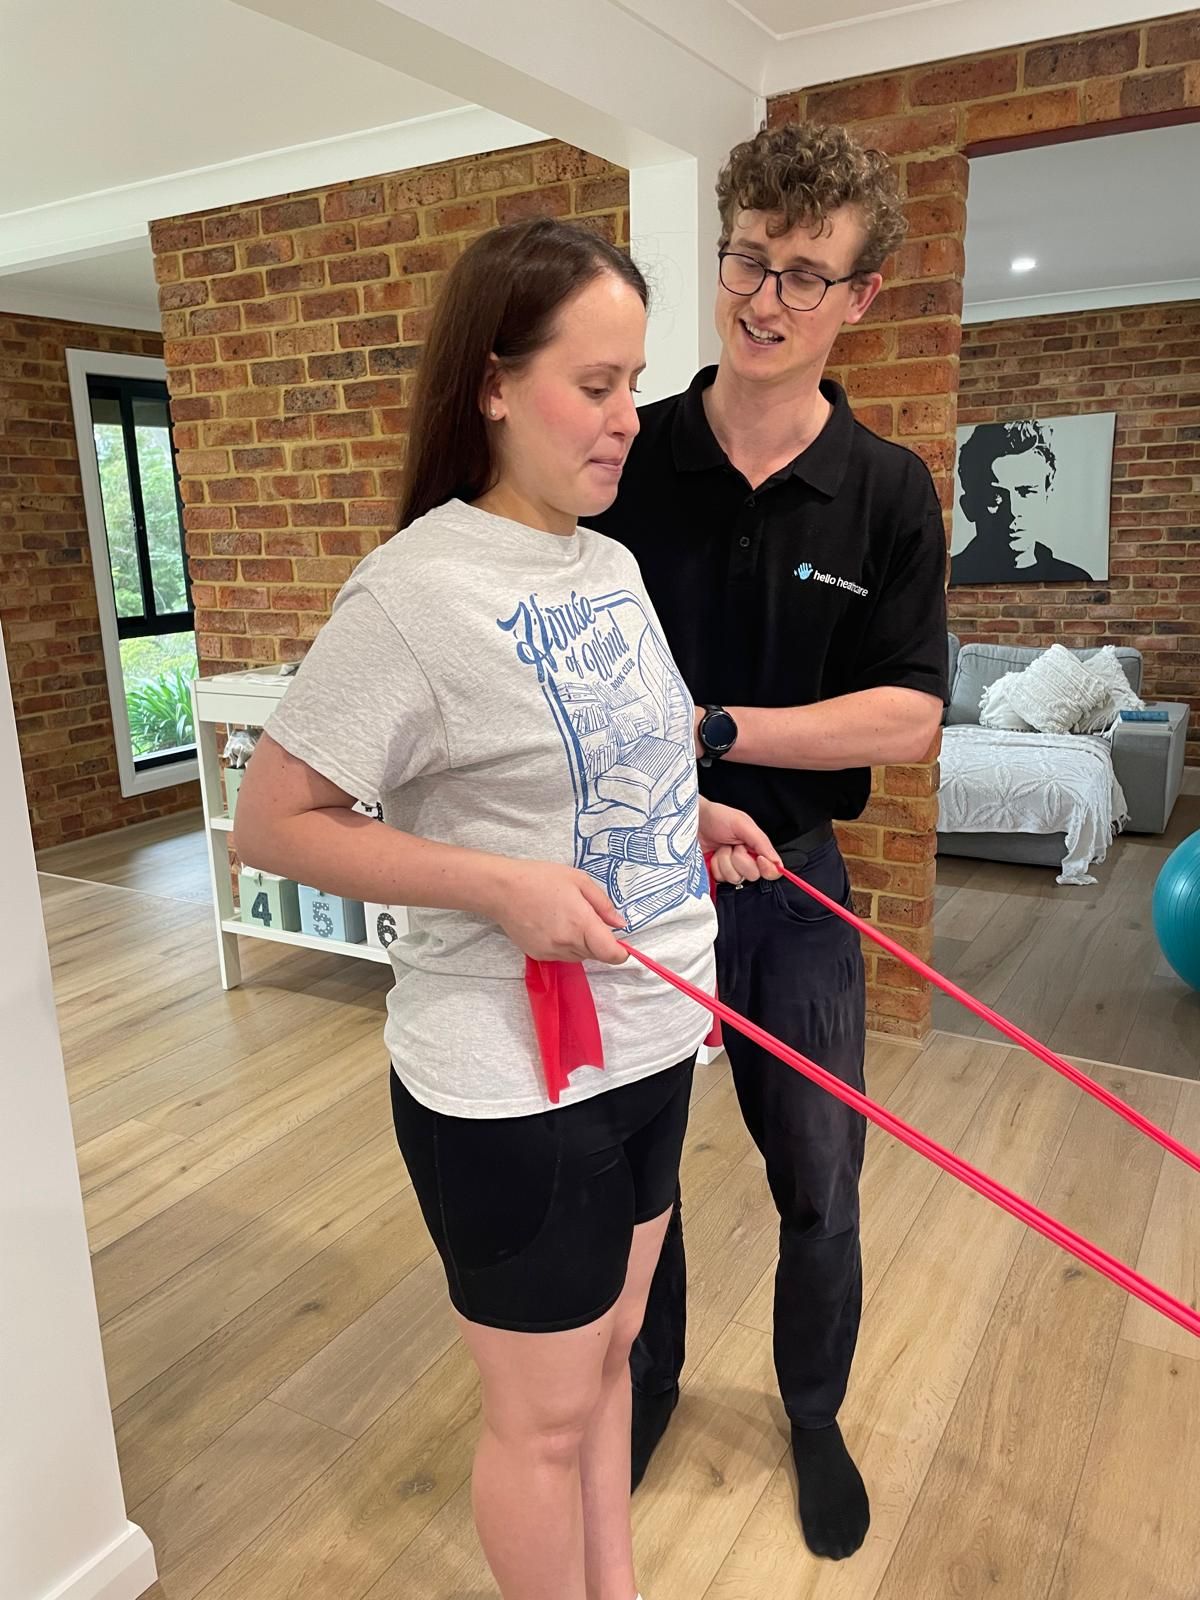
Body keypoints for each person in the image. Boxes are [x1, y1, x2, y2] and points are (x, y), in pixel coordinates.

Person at [232, 217, 779, 1600]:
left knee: (610, 1362)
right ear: (491, 383)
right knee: (539, 1418)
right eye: (591, 387)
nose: (625, 422)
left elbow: (598, 758)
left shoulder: (607, 563)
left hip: (658, 1037)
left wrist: (688, 812)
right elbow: (272, 823)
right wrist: (498, 885)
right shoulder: (413, 594)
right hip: (513, 1078)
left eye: (633, 384)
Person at [588, 121, 949, 1562]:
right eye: (746, 257)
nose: (764, 298)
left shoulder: (890, 491)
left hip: (793, 885)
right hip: (626, 874)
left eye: (806, 273)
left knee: (819, 1173)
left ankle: (812, 1411)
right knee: (640, 1174)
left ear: (861, 297)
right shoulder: (626, 454)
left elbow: (908, 720)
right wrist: (666, 781)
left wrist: (716, 734)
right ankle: (651, 1384)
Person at [951, 419, 1091, 583]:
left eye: (1027, 492)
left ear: (1047, 496)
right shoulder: (947, 577)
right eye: (995, 496)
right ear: (968, 507)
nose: (1013, 512)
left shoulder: (1076, 579)